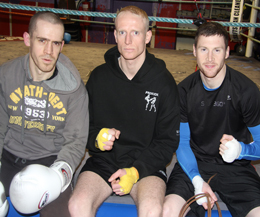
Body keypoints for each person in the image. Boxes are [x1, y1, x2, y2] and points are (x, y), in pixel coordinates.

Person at [68, 5, 180, 217]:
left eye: (135, 33)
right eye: (122, 32)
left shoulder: (164, 84)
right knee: (77, 205)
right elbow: (83, 127)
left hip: (146, 166)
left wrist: (135, 171)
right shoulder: (99, 78)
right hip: (104, 161)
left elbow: (166, 142)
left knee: (153, 210)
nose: (128, 41)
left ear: (148, 36)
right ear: (115, 35)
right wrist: (96, 139)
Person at [163, 22, 260, 217]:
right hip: (194, 162)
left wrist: (242, 150)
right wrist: (196, 179)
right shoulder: (183, 91)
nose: (209, 58)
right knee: (168, 211)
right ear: (194, 51)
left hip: (236, 167)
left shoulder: (246, 91)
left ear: (226, 52)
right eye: (204, 49)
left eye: (217, 50)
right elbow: (182, 143)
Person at [0, 11, 89, 217]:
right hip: (9, 156)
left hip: (50, 159)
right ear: (27, 39)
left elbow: (76, 142)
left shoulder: (74, 88)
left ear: (62, 45)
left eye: (56, 43)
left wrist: (57, 175)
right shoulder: (6, 75)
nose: (49, 51)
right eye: (42, 40)